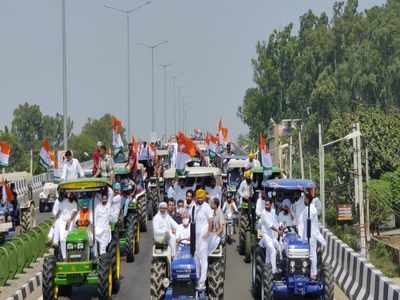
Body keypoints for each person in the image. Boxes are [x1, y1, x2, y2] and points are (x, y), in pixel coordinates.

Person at [302, 189, 326, 279]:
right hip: (306, 236)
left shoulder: (312, 210)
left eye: (304, 198)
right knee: (307, 255)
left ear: (307, 199)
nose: (303, 199)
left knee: (312, 254)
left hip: (311, 236)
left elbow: (313, 226)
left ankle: (313, 273)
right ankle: (308, 271)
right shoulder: (307, 210)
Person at [194, 189, 213, 290]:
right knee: (196, 257)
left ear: (204, 197)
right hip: (196, 236)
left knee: (203, 259)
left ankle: (202, 282)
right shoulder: (196, 206)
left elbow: (210, 221)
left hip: (204, 237)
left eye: (201, 197)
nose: (200, 199)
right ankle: (197, 277)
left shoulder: (206, 207)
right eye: (198, 197)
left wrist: (208, 233)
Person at [51, 192, 78, 259]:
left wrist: (70, 220)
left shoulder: (74, 203)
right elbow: (59, 212)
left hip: (70, 222)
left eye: (72, 194)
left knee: (71, 238)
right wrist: (54, 221)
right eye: (69, 194)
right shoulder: (63, 202)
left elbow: (74, 213)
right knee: (63, 239)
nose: (70, 195)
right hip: (63, 222)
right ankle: (64, 257)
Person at [259, 198, 282, 275]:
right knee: (273, 250)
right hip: (266, 236)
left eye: (268, 204)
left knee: (280, 247)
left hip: (272, 236)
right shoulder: (263, 213)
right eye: (265, 204)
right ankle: (274, 271)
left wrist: (280, 227)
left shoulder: (273, 211)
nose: (266, 206)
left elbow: (276, 222)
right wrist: (278, 231)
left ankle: (280, 265)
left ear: (271, 205)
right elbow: (270, 225)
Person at [94, 187, 113, 256]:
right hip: (97, 230)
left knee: (103, 249)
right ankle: (95, 257)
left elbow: (110, 193)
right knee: (94, 246)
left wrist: (105, 185)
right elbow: (95, 219)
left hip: (105, 230)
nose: (104, 200)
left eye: (106, 199)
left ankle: (103, 260)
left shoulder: (108, 205)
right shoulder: (97, 207)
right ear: (101, 199)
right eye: (103, 198)